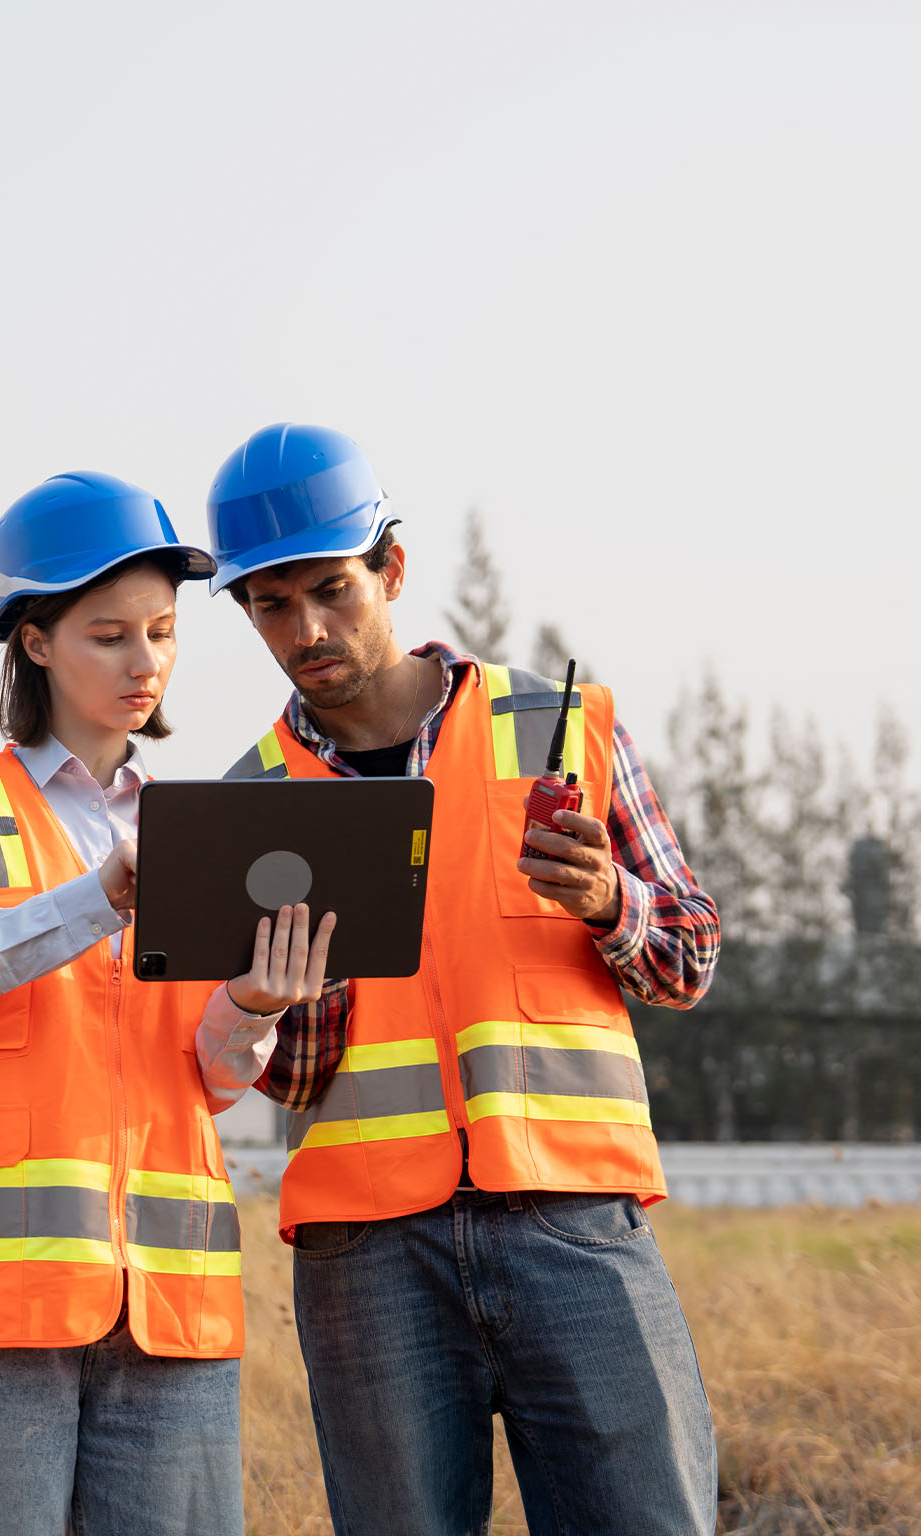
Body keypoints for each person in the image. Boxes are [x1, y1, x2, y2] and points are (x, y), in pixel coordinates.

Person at [209, 425, 721, 1536]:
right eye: (271, 605)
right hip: (366, 1253)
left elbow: (689, 956)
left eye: (331, 589)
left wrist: (610, 905)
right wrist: (275, 1002)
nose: (306, 630)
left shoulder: (560, 726)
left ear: (390, 570)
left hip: (574, 1223)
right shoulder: (255, 799)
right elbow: (292, 1083)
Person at [0, 470, 335, 1536]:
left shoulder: (201, 826)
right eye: (109, 634)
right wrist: (91, 900)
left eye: (162, 634)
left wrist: (253, 1008)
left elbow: (208, 1081)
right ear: (34, 641)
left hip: (171, 1308)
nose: (145, 664)